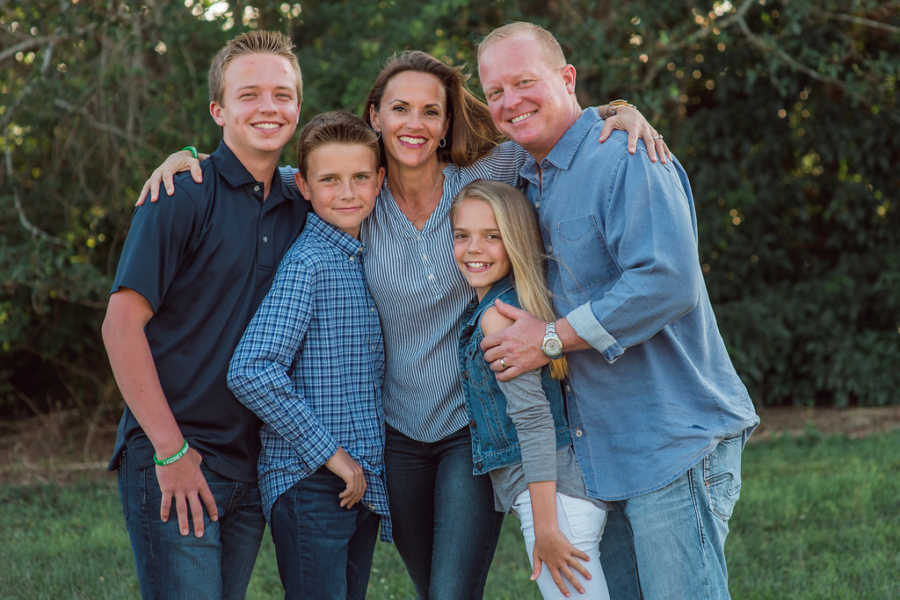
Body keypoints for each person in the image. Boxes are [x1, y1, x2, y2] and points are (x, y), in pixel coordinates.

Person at [139, 49, 667, 599]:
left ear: (444, 125)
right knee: (425, 584)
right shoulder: (356, 192)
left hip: (465, 427)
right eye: (399, 109)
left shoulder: (483, 176)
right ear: (375, 116)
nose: (414, 124)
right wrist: (191, 159)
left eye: (430, 112)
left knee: (450, 591)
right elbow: (261, 163)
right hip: (394, 435)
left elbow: (547, 130)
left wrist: (616, 110)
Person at [476, 22, 760, 599]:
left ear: (566, 77)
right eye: (496, 91)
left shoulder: (624, 155)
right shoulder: (522, 174)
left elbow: (668, 281)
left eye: (525, 81)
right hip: (602, 455)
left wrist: (550, 338)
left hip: (672, 440)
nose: (510, 101)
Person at [100, 30, 307, 599]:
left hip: (251, 462)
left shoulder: (301, 203)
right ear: (218, 110)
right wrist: (171, 452)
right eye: (250, 95)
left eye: (283, 94)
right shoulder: (183, 192)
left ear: (298, 107)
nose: (268, 107)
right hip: (175, 452)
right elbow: (120, 325)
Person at [227, 111, 389, 599]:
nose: (347, 193)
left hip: (355, 480)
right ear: (304, 186)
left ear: (380, 180)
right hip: (310, 481)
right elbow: (251, 370)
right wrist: (332, 456)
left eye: (360, 177)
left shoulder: (362, 254)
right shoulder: (309, 263)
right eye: (330, 180)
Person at [451, 180, 610, 600]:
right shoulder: (507, 303)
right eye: (462, 235)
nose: (474, 249)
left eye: (492, 236)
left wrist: (546, 529)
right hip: (558, 500)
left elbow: (535, 421)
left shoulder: (499, 318)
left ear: (515, 240)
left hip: (555, 505)